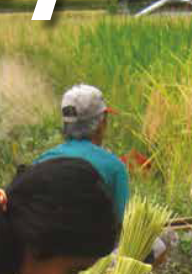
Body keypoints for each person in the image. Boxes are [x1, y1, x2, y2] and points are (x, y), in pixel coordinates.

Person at [35, 84, 129, 224]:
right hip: (98, 244)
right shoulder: (114, 168)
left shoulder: (42, 161)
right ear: (101, 124)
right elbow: (124, 225)